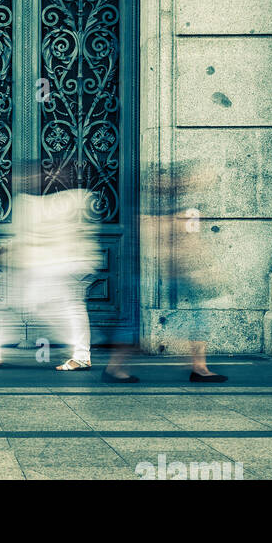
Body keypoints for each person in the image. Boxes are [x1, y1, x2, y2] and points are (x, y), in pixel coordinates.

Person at [102, 161, 226, 383]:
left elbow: (188, 239)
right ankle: (114, 366)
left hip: (177, 269)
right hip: (148, 268)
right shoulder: (147, 206)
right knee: (133, 320)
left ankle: (200, 366)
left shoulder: (179, 205)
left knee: (199, 315)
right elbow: (156, 236)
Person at [0, 160, 97, 371]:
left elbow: (25, 238)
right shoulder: (30, 203)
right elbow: (21, 238)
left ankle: (81, 354)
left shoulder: (74, 199)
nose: (19, 181)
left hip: (56, 266)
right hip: (37, 266)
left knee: (63, 308)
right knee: (2, 301)